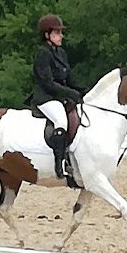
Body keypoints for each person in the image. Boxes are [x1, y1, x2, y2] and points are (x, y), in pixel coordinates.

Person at [30, 13, 87, 181]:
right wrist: (70, 93)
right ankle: (59, 163)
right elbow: (47, 83)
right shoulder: (42, 53)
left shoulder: (61, 53)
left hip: (60, 97)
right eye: (57, 33)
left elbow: (70, 79)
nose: (61, 36)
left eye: (60, 32)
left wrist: (84, 91)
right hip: (45, 97)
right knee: (61, 121)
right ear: (47, 35)